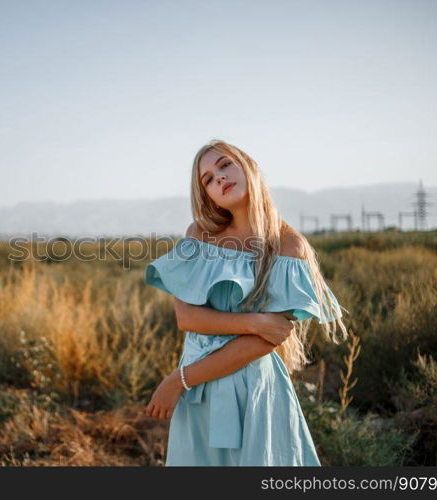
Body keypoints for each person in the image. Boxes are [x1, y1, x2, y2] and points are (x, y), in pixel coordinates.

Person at [143, 139, 349, 466]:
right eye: (207, 179)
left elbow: (268, 340)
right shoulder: (199, 234)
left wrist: (179, 380)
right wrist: (254, 322)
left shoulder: (288, 245)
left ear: (247, 164)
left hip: (253, 388)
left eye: (224, 165)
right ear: (205, 194)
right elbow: (187, 318)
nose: (219, 178)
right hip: (198, 390)